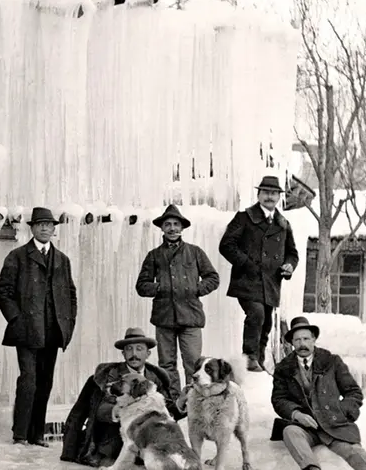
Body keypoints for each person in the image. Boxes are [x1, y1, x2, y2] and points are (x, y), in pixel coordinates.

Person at [0, 206, 78, 447]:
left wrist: (68, 324)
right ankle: (20, 434)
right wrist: (16, 319)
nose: (45, 228)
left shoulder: (62, 260)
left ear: (54, 229)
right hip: (27, 330)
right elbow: (3, 291)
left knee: (45, 382)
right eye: (40, 224)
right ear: (31, 228)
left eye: (49, 225)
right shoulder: (18, 256)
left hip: (53, 331)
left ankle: (37, 435)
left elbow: (71, 295)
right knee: (28, 380)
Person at [135, 204, 219, 412]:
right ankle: (174, 404)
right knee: (166, 365)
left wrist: (196, 289)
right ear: (162, 228)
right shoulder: (154, 256)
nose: (172, 228)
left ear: (182, 228)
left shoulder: (195, 252)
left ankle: (196, 402)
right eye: (167, 224)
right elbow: (141, 285)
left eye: (175, 224)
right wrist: (161, 287)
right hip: (164, 317)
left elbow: (213, 277)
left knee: (194, 364)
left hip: (190, 316)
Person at [271, 317, 366, 470]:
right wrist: (296, 414)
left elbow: (353, 392)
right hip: (307, 427)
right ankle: (311, 468)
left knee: (354, 452)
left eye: (306, 339)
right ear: (292, 343)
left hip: (333, 424)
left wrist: (340, 411)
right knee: (290, 431)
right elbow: (279, 399)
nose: (302, 344)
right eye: (297, 340)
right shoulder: (283, 368)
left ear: (314, 339)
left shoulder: (331, 361)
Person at [59, 327, 174, 467]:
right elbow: (95, 411)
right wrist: (117, 411)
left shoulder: (156, 377)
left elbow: (167, 411)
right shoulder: (106, 376)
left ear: (148, 353)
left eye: (139, 349)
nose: (134, 354)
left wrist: (182, 403)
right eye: (129, 349)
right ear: (123, 353)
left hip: (146, 445)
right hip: (112, 444)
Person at [219, 175, 299, 372]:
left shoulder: (283, 224)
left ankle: (259, 362)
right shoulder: (244, 217)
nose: (269, 197)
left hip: (271, 282)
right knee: (256, 314)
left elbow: (292, 253)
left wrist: (289, 266)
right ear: (259, 194)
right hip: (247, 280)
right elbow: (226, 245)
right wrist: (247, 263)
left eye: (273, 193)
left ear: (279, 197)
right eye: (265, 192)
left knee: (267, 322)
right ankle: (249, 357)